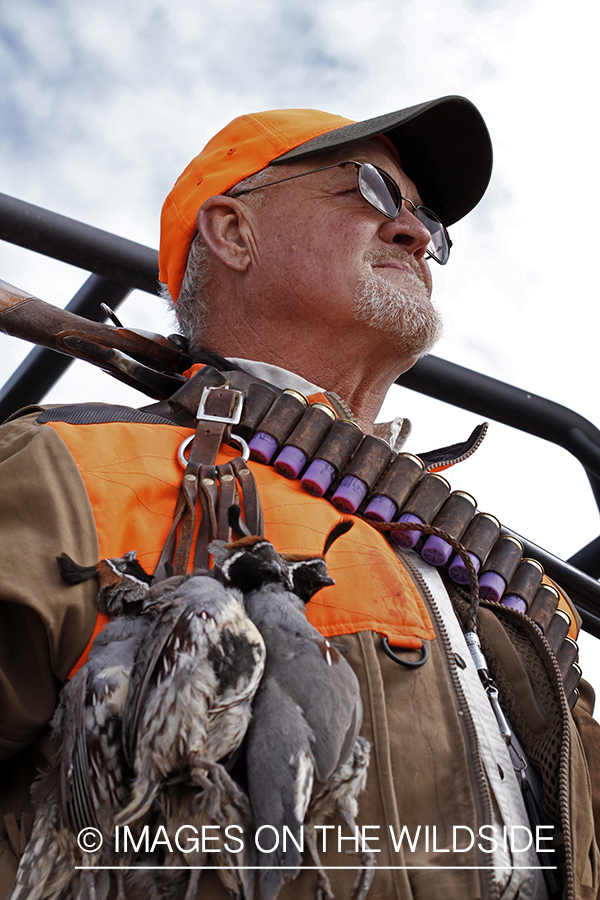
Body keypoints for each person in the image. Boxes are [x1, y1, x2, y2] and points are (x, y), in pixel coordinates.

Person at [0, 97, 599, 900]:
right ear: (234, 232)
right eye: (372, 192)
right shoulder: (66, 467)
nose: (417, 235)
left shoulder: (498, 581)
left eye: (430, 223)